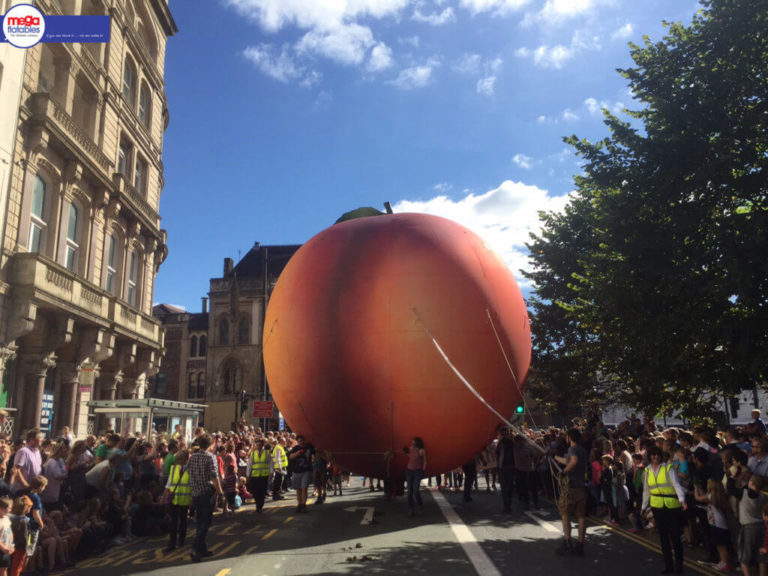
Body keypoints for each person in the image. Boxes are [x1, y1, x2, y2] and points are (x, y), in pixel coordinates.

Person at [642, 445, 687, 574]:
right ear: (649, 456)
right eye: (653, 455)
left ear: (661, 456)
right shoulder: (647, 471)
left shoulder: (668, 468)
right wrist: (643, 507)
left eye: (657, 455)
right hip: (657, 507)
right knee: (663, 538)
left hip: (672, 506)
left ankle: (679, 566)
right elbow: (646, 490)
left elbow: (676, 485)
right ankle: (669, 566)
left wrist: (682, 499)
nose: (655, 457)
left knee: (675, 537)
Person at [187, 433, 222, 562]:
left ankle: (202, 549)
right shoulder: (210, 457)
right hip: (206, 492)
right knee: (206, 521)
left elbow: (188, 471)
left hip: (195, 492)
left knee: (199, 520)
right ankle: (196, 547)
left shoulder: (193, 457)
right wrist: (219, 491)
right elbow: (214, 475)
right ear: (209, 444)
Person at [554, 428, 588, 557]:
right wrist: (555, 457)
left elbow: (573, 461)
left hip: (571, 487)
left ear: (569, 437)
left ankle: (567, 542)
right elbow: (569, 461)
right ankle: (580, 545)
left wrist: (564, 472)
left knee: (565, 515)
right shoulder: (583, 450)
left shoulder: (572, 449)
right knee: (581, 518)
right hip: (581, 487)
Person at [10, 430, 42, 495]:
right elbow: (16, 470)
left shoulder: (37, 451)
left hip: (33, 489)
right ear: (32, 439)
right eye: (40, 438)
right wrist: (26, 485)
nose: (42, 440)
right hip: (23, 490)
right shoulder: (23, 452)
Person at [288, 435, 314, 514]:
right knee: (298, 489)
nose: (300, 442)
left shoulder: (309, 447)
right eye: (298, 441)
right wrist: (298, 453)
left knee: (304, 488)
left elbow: (315, 453)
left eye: (301, 441)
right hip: (297, 471)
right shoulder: (296, 448)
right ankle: (299, 504)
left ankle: (303, 504)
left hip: (306, 471)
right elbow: (291, 457)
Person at [246, 439, 270, 513]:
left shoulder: (267, 453)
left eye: (260, 445)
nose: (258, 446)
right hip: (255, 476)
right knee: (256, 492)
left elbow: (271, 463)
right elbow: (249, 465)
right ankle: (257, 506)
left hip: (264, 476)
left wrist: (272, 473)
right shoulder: (253, 454)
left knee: (262, 492)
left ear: (263, 445)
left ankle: (260, 505)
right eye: (257, 445)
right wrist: (248, 475)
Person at [404, 437, 426, 516]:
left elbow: (424, 461)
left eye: (413, 442)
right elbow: (411, 457)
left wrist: (422, 470)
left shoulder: (421, 451)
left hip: (417, 471)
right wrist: (406, 452)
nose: (412, 443)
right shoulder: (411, 448)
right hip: (409, 470)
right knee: (409, 491)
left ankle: (420, 506)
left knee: (415, 490)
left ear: (417, 443)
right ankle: (411, 508)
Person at [496, 428, 516, 514]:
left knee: (505, 488)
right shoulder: (510, 443)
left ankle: (507, 505)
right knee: (508, 487)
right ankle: (507, 505)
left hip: (505, 467)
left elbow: (499, 456)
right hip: (508, 467)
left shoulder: (503, 444)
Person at [0, 496, 13, 576]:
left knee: (4, 568)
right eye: (9, 508)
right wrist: (4, 548)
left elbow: (10, 531)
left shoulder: (6, 518)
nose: (11, 510)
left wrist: (11, 544)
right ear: (1, 508)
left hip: (6, 549)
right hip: (2, 549)